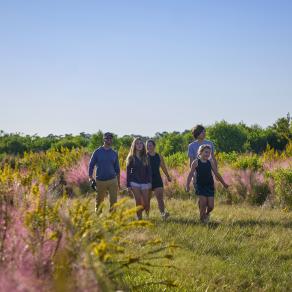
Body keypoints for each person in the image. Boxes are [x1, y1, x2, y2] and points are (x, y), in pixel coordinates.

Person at [186, 144, 228, 223]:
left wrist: (224, 183)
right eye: (206, 152)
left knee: (211, 206)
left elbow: (216, 173)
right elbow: (190, 174)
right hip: (200, 185)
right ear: (200, 152)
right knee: (203, 204)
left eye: (209, 153)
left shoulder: (210, 162)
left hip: (209, 185)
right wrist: (187, 185)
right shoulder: (196, 162)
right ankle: (202, 221)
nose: (207, 154)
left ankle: (207, 213)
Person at [88, 132, 120, 211]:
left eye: (110, 138)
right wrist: (90, 176)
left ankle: (113, 218)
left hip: (112, 180)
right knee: (99, 201)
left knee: (114, 202)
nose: (109, 140)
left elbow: (117, 169)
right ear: (103, 139)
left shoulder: (114, 153)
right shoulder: (97, 152)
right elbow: (91, 165)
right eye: (107, 138)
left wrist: (118, 183)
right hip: (100, 181)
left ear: (112, 140)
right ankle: (98, 216)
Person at [126, 137, 152, 220]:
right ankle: (139, 219)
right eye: (137, 143)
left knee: (146, 202)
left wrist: (150, 182)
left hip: (145, 182)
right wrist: (128, 185)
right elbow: (128, 172)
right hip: (134, 182)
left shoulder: (146, 157)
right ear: (134, 145)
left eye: (141, 143)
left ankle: (143, 214)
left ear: (143, 145)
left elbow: (149, 171)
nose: (139, 145)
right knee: (138, 201)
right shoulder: (131, 158)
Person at [146, 139, 171, 220]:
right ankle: (147, 216)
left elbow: (163, 166)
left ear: (154, 146)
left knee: (160, 197)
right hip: (147, 179)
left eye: (150, 145)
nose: (148, 147)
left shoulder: (159, 156)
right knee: (147, 199)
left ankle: (163, 214)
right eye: (147, 145)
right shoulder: (144, 156)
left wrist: (167, 176)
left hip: (157, 178)